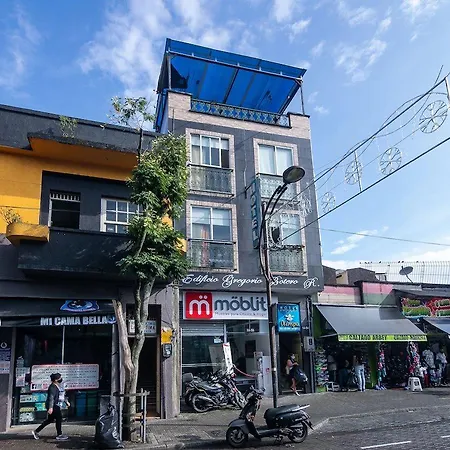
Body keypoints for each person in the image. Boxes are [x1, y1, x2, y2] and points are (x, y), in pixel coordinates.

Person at [32, 373, 70, 441]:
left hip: (53, 405)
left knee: (50, 420)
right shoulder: (52, 387)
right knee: (59, 418)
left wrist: (66, 401)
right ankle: (59, 435)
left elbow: (60, 396)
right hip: (53, 405)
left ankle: (36, 431)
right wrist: (50, 407)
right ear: (55, 380)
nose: (61, 379)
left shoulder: (56, 386)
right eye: (59, 378)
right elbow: (51, 397)